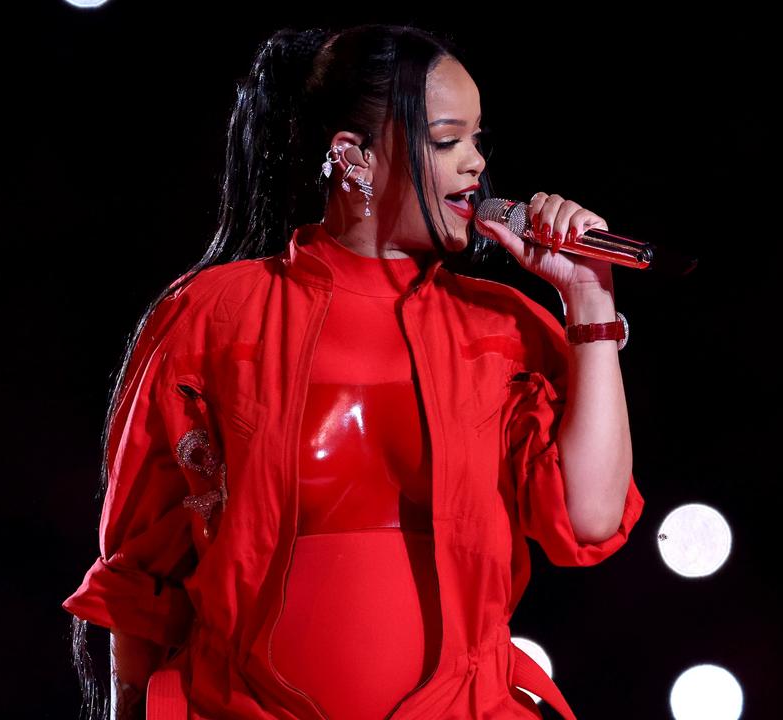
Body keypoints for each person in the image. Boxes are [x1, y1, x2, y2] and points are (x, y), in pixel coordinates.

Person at [61, 23, 645, 720]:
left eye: (478, 140)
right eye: (447, 139)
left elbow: (591, 517)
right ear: (355, 157)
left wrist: (589, 300)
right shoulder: (214, 317)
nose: (475, 166)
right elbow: (139, 574)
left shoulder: (503, 330)